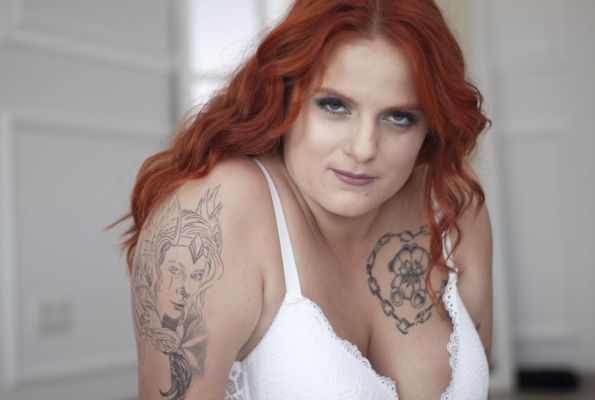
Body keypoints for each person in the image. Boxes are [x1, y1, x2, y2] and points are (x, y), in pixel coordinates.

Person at [111, 0, 493, 398]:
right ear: (284, 95)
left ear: (431, 125)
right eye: (334, 106)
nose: (363, 148)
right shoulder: (215, 215)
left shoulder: (454, 207)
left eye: (399, 117)